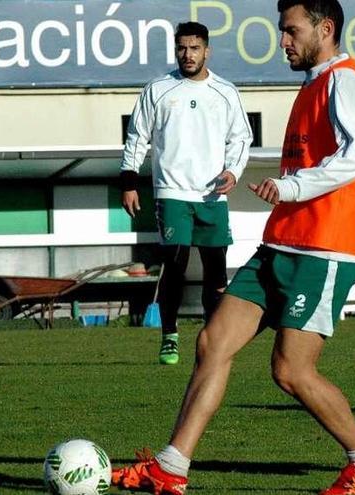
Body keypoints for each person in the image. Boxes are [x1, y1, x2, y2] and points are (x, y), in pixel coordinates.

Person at [111, 1, 355, 494]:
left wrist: (291, 188)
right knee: (212, 343)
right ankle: (171, 468)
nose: (282, 41)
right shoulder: (315, 82)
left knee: (290, 370)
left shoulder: (345, 80)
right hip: (282, 243)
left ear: (325, 29)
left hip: (323, 249)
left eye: (291, 31)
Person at [120, 21, 253, 365]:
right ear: (175, 50)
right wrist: (129, 183)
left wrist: (233, 172)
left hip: (212, 195)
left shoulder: (225, 92)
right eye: (182, 48)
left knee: (216, 272)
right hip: (172, 191)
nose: (187, 54)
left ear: (207, 50)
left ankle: (213, 339)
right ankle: (169, 336)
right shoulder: (159, 89)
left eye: (194, 48)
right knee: (175, 264)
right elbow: (137, 136)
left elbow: (241, 137)